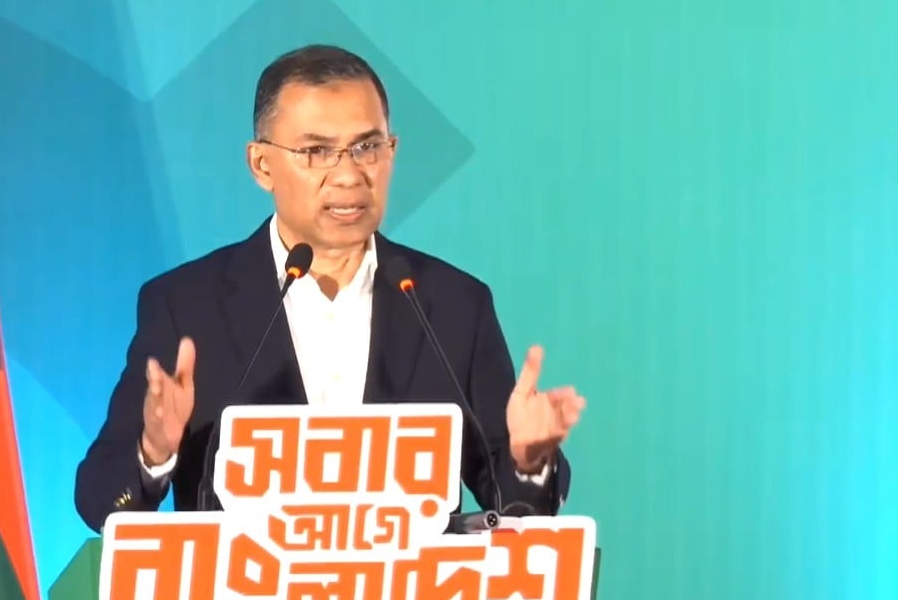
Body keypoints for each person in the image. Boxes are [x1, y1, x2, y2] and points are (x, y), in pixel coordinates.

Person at [74, 44, 585, 533]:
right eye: (316, 151)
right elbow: (101, 501)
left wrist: (528, 461)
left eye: (367, 147)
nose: (348, 176)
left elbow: (515, 509)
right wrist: (154, 453)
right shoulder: (187, 305)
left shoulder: (452, 304)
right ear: (262, 165)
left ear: (391, 151)